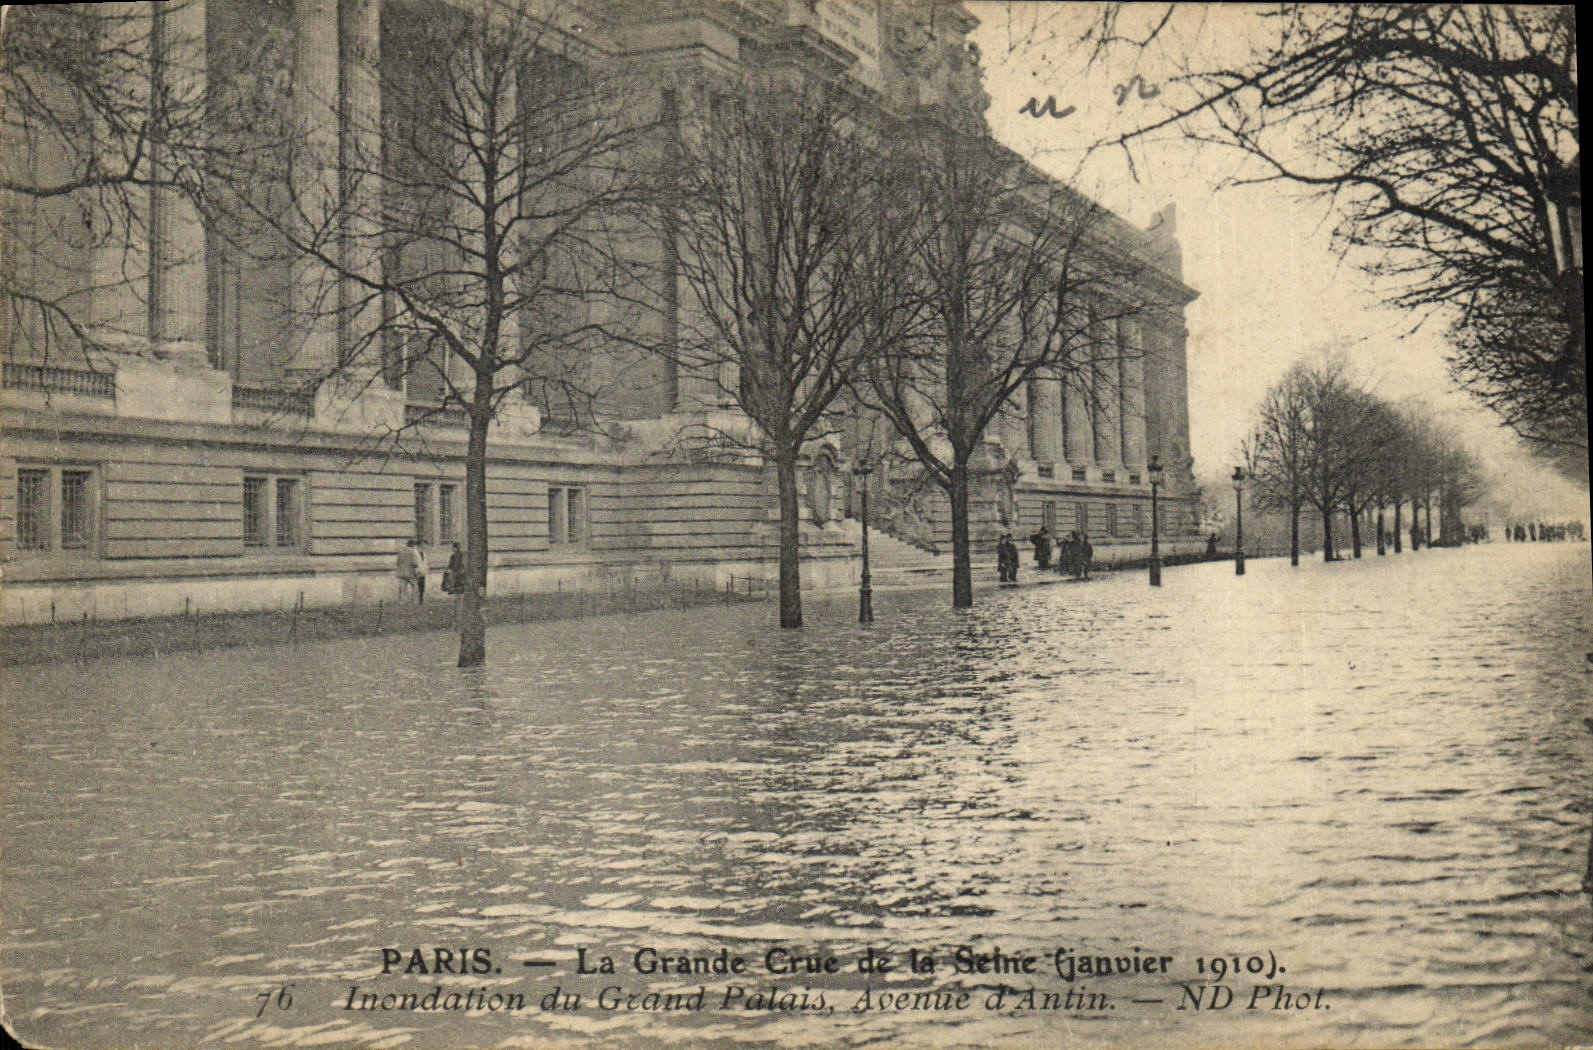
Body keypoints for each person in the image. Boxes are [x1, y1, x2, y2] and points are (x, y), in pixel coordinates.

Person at [410, 539, 429, 604]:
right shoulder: (414, 552)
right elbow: (412, 562)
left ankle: (421, 598)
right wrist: (415, 569)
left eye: (425, 545)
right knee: (415, 586)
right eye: (423, 545)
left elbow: (425, 562)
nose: (424, 546)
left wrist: (426, 568)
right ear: (419, 545)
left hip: (422, 571)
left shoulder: (423, 553)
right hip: (416, 571)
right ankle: (414, 599)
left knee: (422, 586)